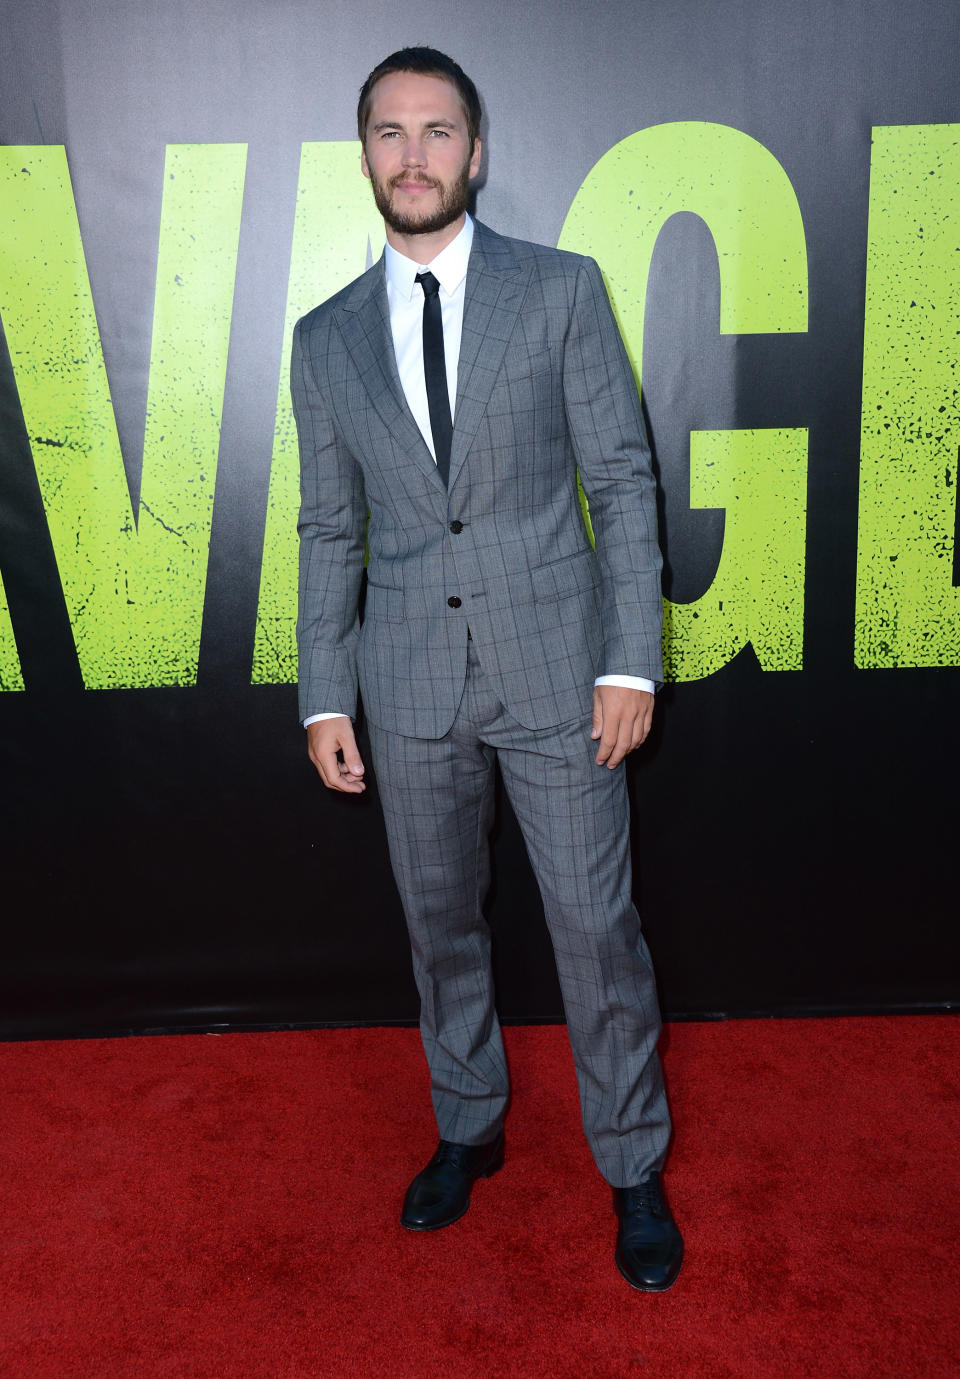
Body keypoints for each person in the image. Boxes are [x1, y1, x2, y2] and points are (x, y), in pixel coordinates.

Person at [292, 47, 682, 1291]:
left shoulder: (562, 292)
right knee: (440, 925)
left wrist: (632, 658)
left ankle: (632, 1163)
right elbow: (328, 529)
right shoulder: (325, 340)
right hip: (404, 685)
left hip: (563, 672)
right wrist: (324, 690)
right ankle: (469, 1122)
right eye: (391, 133)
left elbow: (621, 481)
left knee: (595, 927)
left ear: (478, 150)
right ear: (364, 155)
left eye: (438, 130)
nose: (415, 154)